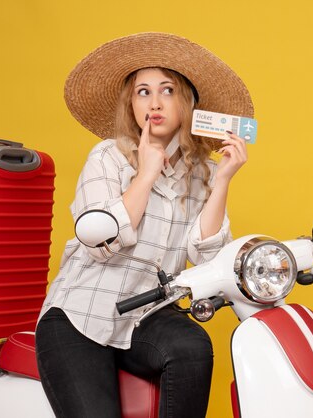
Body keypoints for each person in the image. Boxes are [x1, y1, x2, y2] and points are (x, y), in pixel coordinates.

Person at [35, 32, 254, 418]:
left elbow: (207, 257)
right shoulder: (107, 157)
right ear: (131, 104)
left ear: (186, 104)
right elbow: (102, 244)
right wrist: (146, 173)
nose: (154, 103)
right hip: (80, 317)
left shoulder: (201, 171)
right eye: (143, 92)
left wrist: (222, 180)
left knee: (193, 347)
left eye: (167, 91)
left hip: (145, 318)